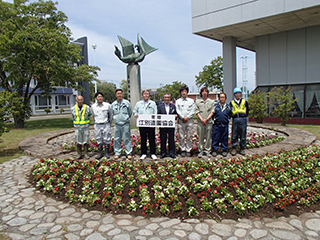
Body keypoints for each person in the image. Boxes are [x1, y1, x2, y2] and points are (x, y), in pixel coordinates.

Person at [133, 89, 157, 160]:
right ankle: (143, 153)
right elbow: (134, 111)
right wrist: (136, 115)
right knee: (143, 139)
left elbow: (155, 113)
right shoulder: (138, 103)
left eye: (147, 94)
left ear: (149, 95)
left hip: (151, 124)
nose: (146, 95)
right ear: (142, 95)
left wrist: (153, 122)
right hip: (142, 124)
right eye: (144, 94)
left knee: (152, 139)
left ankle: (152, 153)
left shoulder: (152, 103)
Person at [111, 89, 133, 160]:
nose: (119, 95)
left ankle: (128, 152)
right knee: (116, 139)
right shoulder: (113, 104)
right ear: (115, 95)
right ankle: (117, 153)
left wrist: (126, 118)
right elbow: (112, 113)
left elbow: (130, 112)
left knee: (127, 138)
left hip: (125, 124)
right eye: (118, 93)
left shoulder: (126, 103)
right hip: (117, 124)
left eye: (120, 93)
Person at [91, 92, 113, 160]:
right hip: (97, 124)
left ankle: (106, 153)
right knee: (98, 139)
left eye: (101, 96)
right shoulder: (93, 106)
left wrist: (109, 123)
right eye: (98, 97)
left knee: (107, 138)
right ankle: (100, 153)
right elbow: (93, 115)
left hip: (105, 124)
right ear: (96, 98)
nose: (100, 98)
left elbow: (111, 115)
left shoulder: (107, 105)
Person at [176, 85, 195, 157]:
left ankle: (188, 149)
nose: (184, 93)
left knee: (189, 136)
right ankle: (182, 149)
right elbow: (177, 110)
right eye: (182, 91)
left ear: (187, 92)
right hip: (181, 121)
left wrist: (187, 117)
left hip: (189, 120)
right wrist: (182, 117)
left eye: (185, 91)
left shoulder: (191, 101)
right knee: (181, 136)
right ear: (180, 92)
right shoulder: (178, 101)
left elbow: (193, 110)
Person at [195, 87, 214, 158]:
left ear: (208, 93)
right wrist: (202, 119)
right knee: (201, 137)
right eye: (203, 91)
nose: (204, 93)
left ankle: (207, 150)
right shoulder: (198, 101)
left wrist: (206, 119)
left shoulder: (211, 102)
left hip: (208, 122)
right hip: (200, 122)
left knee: (208, 137)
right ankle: (200, 150)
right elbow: (196, 111)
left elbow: (212, 111)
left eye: (206, 91)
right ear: (201, 93)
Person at [71, 95, 92, 159]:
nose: (80, 101)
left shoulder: (87, 107)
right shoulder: (73, 108)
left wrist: (86, 121)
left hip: (85, 126)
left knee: (86, 139)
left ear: (83, 100)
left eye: (81, 100)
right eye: (78, 100)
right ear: (76, 100)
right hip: (77, 127)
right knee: (78, 140)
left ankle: (86, 153)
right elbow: (73, 117)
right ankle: (79, 154)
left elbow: (89, 115)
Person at [230, 87, 249, 156]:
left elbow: (247, 111)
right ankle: (234, 148)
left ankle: (242, 148)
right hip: (235, 119)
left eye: (239, 93)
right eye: (236, 93)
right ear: (234, 94)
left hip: (243, 119)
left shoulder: (244, 102)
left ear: (241, 94)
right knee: (234, 134)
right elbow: (230, 111)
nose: (238, 95)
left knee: (243, 134)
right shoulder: (232, 102)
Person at [157, 93, 177, 159]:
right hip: (163, 126)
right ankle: (163, 153)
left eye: (168, 97)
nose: (166, 99)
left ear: (170, 99)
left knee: (171, 139)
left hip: (171, 126)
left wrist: (175, 116)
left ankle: (172, 153)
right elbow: (158, 116)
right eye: (165, 97)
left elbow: (176, 114)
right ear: (163, 98)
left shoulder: (173, 106)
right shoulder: (159, 106)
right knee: (163, 139)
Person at [211, 92, 232, 157]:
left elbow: (230, 115)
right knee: (215, 137)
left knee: (224, 137)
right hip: (217, 125)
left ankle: (224, 150)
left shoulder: (228, 107)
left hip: (225, 125)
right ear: (219, 98)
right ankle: (215, 149)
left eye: (223, 97)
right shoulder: (215, 106)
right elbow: (212, 115)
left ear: (225, 98)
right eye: (221, 97)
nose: (222, 99)